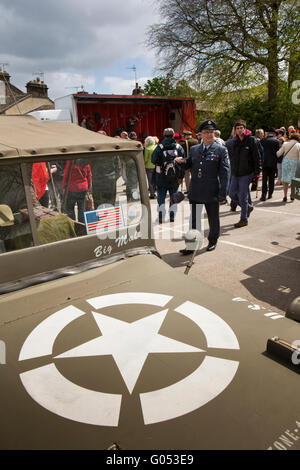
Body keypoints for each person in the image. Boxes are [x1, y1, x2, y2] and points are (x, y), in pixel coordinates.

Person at [179, 119, 230, 254]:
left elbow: (225, 173)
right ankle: (192, 245)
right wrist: (181, 162)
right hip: (196, 189)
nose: (209, 135)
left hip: (211, 190)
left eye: (211, 132)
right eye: (206, 132)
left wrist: (223, 192)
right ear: (200, 134)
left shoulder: (221, 150)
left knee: (213, 218)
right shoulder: (195, 149)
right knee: (194, 220)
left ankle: (213, 241)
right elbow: (188, 164)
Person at [228, 119, 261, 228]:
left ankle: (243, 219)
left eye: (241, 128)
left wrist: (257, 172)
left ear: (245, 128)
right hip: (235, 172)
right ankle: (247, 207)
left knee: (243, 196)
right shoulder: (234, 141)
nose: (239, 130)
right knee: (231, 193)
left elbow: (257, 157)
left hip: (247, 173)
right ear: (235, 130)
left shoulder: (251, 140)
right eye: (237, 128)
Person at [151, 128, 185, 223]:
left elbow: (153, 160)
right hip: (175, 178)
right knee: (174, 197)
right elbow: (183, 162)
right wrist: (181, 177)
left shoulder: (159, 147)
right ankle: (172, 217)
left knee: (161, 198)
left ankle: (161, 217)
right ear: (173, 135)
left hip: (161, 177)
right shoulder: (179, 147)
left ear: (164, 135)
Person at [63, 159, 92, 223]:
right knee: (82, 208)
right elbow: (89, 175)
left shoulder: (70, 162)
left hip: (71, 188)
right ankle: (82, 226)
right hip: (83, 188)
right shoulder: (86, 162)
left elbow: (66, 174)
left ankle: (73, 225)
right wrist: (89, 186)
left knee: (70, 209)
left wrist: (64, 187)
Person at [276, 133, 300, 202]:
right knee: (293, 179)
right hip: (295, 162)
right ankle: (292, 195)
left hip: (285, 162)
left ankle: (285, 196)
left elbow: (278, 154)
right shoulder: (299, 145)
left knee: (285, 179)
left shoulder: (285, 144)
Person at [260, 128, 280, 200]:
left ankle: (263, 195)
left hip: (264, 162)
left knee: (264, 180)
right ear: (273, 134)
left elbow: (260, 151)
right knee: (271, 180)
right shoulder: (277, 141)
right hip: (273, 162)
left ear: (268, 133)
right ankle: (270, 194)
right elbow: (278, 152)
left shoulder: (262, 140)